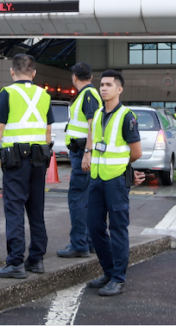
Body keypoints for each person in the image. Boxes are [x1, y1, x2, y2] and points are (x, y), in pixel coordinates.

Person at [0, 54, 54, 279]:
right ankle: (36, 260)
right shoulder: (44, 95)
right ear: (34, 73)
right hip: (39, 159)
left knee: (14, 208)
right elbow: (47, 131)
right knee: (36, 209)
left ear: (12, 72)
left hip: (15, 159)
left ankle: (15, 262)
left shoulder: (8, 93)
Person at [83, 70, 146, 296]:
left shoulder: (126, 116)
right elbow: (94, 139)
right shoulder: (99, 114)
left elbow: (136, 152)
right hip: (97, 179)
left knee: (118, 229)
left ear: (119, 89)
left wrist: (120, 166)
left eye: (109, 85)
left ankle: (118, 278)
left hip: (116, 181)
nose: (103, 88)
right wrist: (87, 153)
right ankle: (109, 272)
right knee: (94, 226)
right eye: (102, 84)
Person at [58, 62, 102, 259]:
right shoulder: (88, 95)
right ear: (91, 77)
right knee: (87, 199)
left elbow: (93, 125)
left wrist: (87, 152)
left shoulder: (88, 96)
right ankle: (89, 242)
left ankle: (79, 244)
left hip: (82, 154)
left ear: (74, 77)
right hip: (82, 152)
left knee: (77, 198)